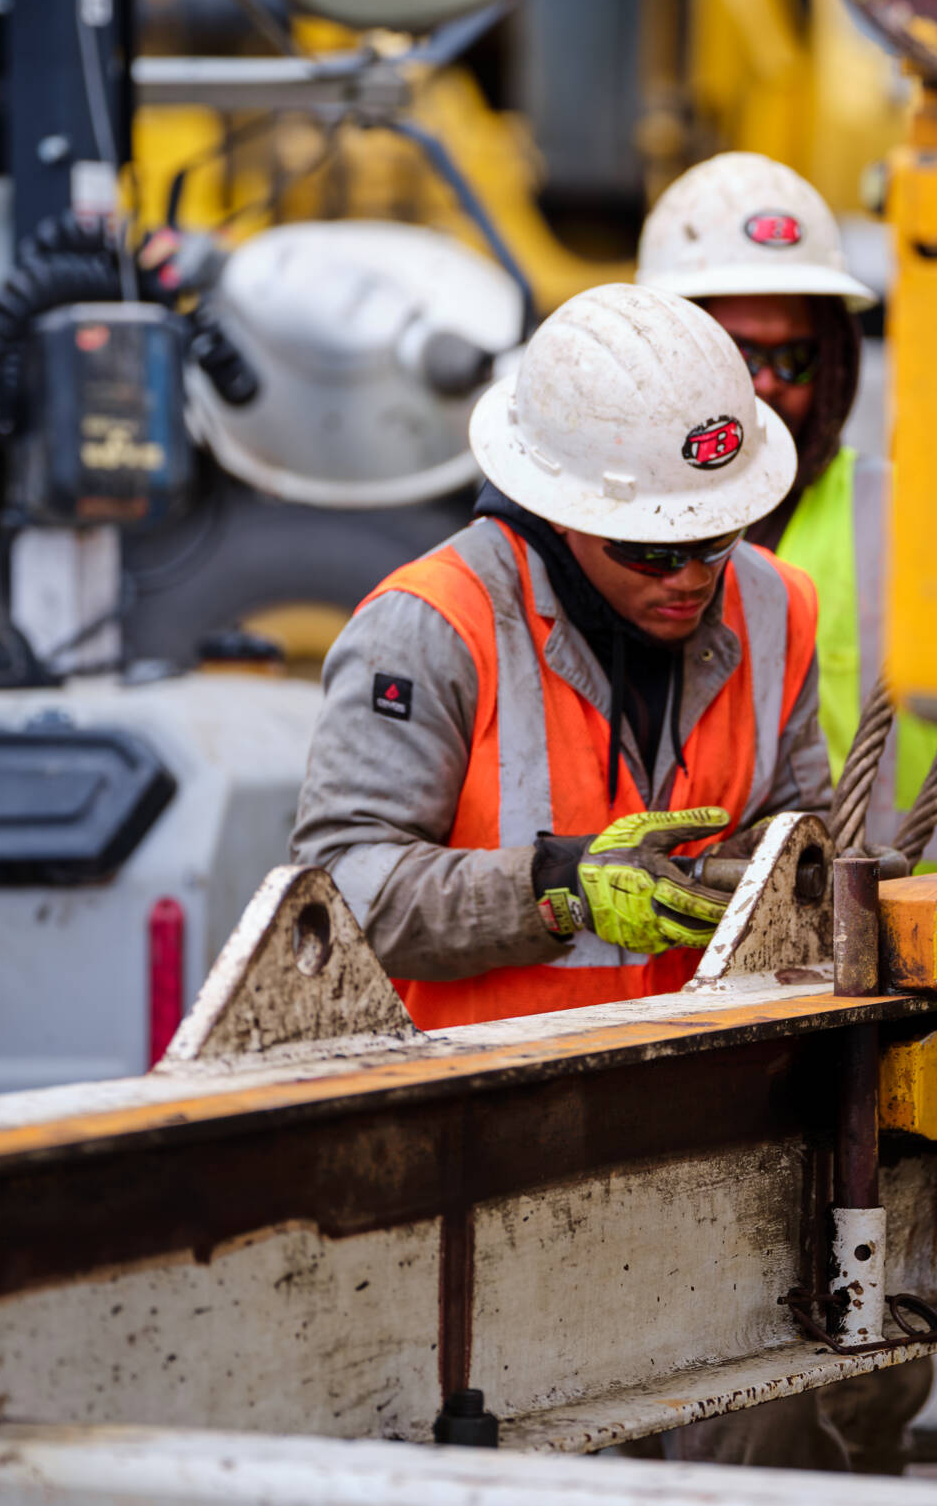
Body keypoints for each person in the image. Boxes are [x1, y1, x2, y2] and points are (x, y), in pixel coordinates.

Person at [291, 282, 827, 1029]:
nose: (693, 577)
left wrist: (744, 867)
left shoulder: (775, 605)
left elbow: (806, 827)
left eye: (715, 539)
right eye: (654, 549)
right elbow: (341, 892)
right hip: (487, 1102)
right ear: (560, 508)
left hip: (711, 1091)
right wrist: (557, 886)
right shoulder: (433, 625)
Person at [639, 151, 937, 863]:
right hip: (686, 933)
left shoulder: (910, 520)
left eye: (794, 360)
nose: (765, 387)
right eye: (738, 356)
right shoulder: (604, 533)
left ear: (836, 363)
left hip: (906, 930)